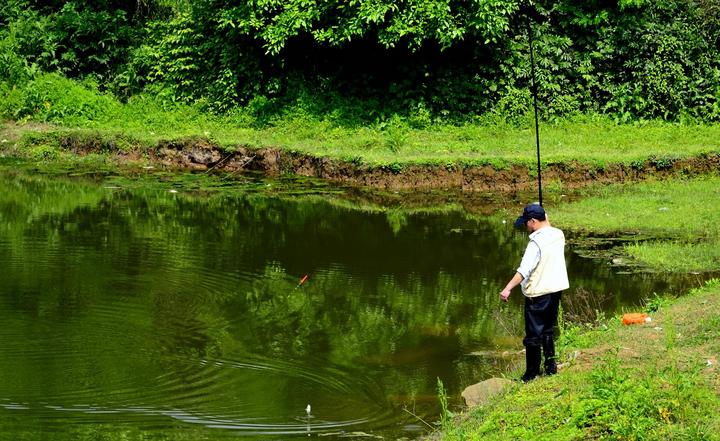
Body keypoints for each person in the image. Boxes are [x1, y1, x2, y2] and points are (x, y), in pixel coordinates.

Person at [500, 203, 569, 382]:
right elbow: (547, 223)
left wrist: (507, 288)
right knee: (548, 330)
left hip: (538, 294)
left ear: (533, 221)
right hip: (555, 290)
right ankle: (550, 367)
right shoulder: (558, 234)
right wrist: (544, 216)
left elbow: (524, 271)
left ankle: (531, 374)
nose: (525, 226)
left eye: (526, 223)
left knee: (533, 336)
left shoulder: (535, 242)